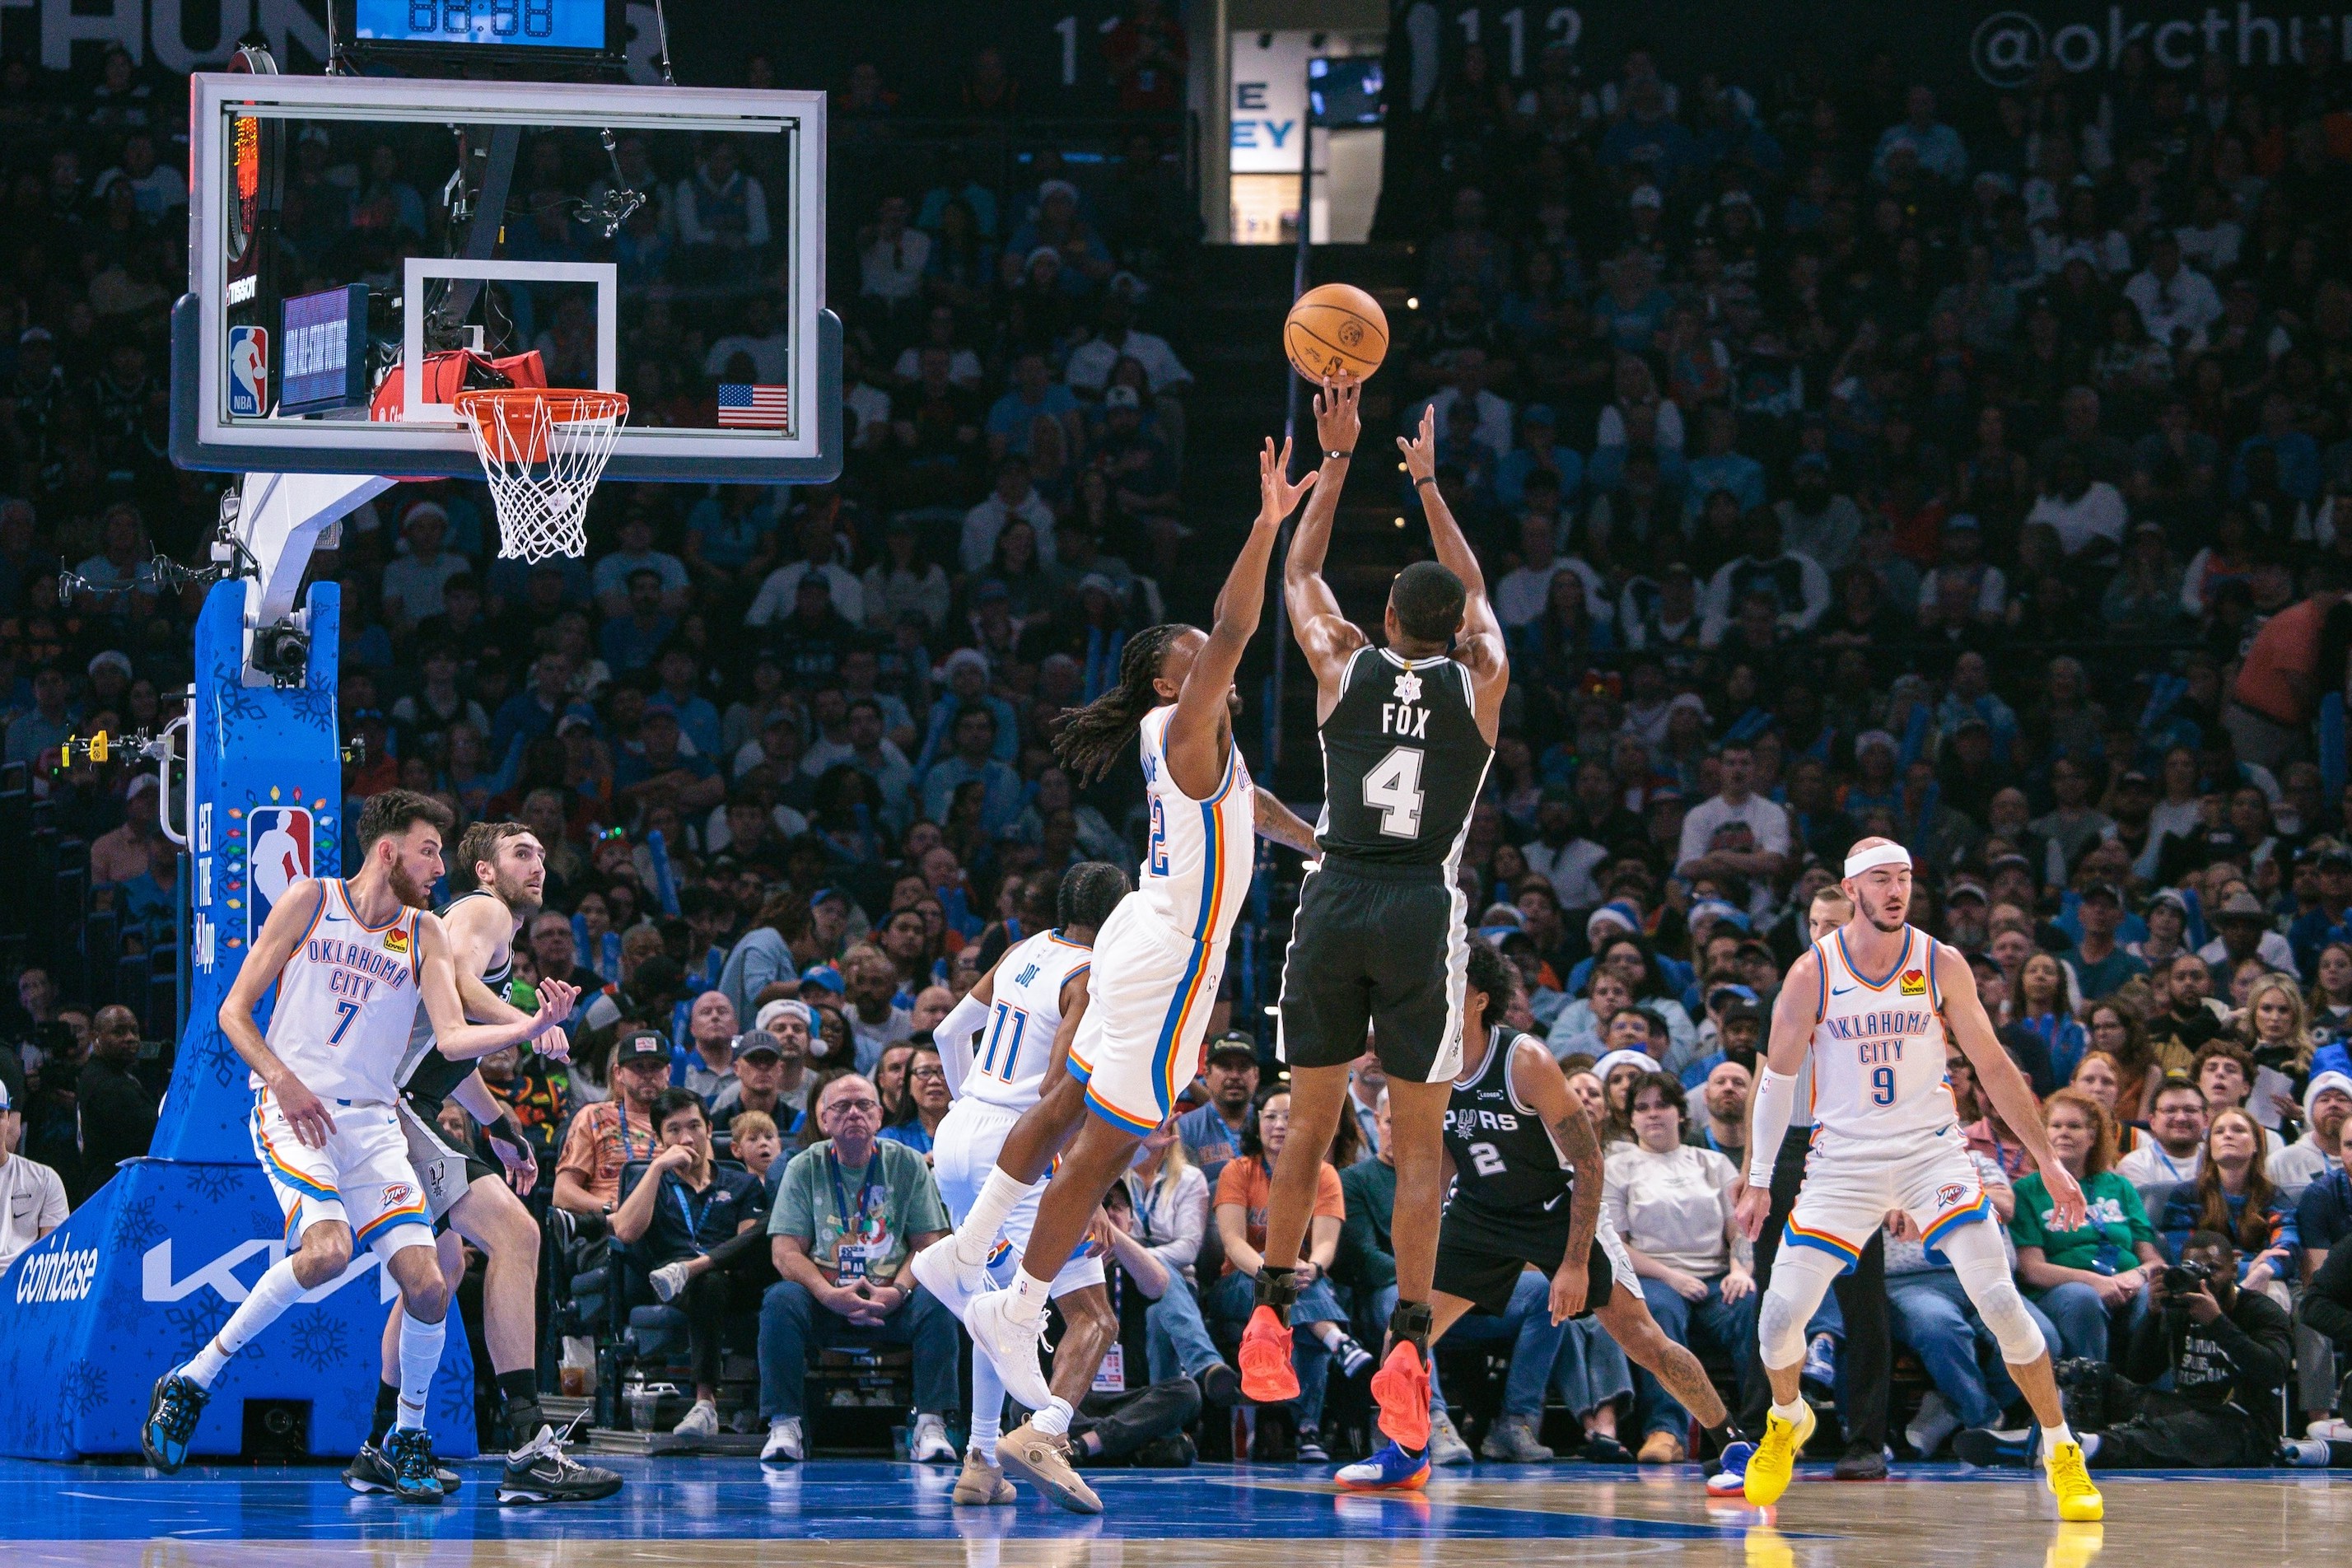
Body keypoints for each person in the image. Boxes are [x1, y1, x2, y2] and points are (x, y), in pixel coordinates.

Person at [922, 435, 1322, 1514]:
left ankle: (995, 1297)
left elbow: (1262, 811)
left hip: (1160, 951)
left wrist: (1325, 845)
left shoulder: (1217, 756)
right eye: (1191, 653)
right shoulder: (1185, 723)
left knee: (1080, 1123)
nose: (1216, 661)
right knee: (1101, 1146)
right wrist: (1267, 520)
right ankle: (1007, 1298)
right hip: (1167, 954)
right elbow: (1238, 624)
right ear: (1165, 675)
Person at [142, 791, 576, 1500]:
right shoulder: (310, 902)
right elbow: (232, 1011)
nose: (442, 866)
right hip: (295, 1112)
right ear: (387, 850)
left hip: (374, 1124)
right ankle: (193, 1380)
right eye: (430, 850)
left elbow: (455, 1035)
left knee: (433, 1283)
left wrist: (527, 1029)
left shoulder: (424, 935)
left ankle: (403, 1438)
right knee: (327, 1252)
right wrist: (281, 1080)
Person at [1252, 381, 1510, 1489]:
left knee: (1308, 1123)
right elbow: (1484, 597)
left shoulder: (1342, 663)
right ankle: (1408, 1346)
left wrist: (1340, 459)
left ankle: (1269, 1315)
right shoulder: (1483, 681)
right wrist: (1429, 484)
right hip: (1420, 906)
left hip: (1338, 890)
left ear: (1385, 622)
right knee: (1419, 1141)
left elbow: (1300, 575)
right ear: (1453, 628)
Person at [1737, 837, 2103, 1522]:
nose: (1896, 890)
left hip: (1932, 1153)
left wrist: (2048, 1162)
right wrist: (1758, 1179)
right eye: (1881, 879)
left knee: (1998, 1299)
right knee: (1778, 1321)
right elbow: (1778, 1083)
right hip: (1843, 1159)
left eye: (1904, 878)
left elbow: (1992, 1065)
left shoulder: (1939, 961)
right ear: (1852, 890)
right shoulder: (1811, 973)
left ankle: (2060, 1447)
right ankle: (1787, 1419)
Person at [1339, 940, 1750, 1490]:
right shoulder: (1428, 1063)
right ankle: (1406, 1450)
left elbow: (1588, 1161)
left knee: (1642, 1338)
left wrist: (1575, 1264)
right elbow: (1439, 1167)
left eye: (1450, 985)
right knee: (1406, 1332)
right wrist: (1428, 1239)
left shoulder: (1524, 1059)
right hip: (1481, 1211)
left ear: (1481, 999)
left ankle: (1734, 1444)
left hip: (1559, 1208)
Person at [357, 819, 618, 1505]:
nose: (537, 866)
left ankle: (378, 1446)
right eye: (520, 853)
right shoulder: (485, 912)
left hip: (401, 1096)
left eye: (541, 854)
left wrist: (500, 1122)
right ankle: (529, 1446)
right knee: (518, 1234)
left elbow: (451, 1046)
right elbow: (466, 999)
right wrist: (533, 1020)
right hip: (398, 1103)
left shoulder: (466, 920)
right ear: (483, 870)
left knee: (439, 1272)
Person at [908, 862, 1132, 1507]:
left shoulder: (1021, 950)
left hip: (961, 1132)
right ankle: (1047, 1431)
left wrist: (964, 1105)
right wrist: (1075, 1185)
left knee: (1002, 1313)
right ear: (1119, 918)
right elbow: (1055, 1093)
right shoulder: (1089, 977)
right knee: (1093, 1316)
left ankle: (980, 1460)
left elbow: (950, 1032)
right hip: (1020, 1146)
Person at [1733, 883, 1895, 1482]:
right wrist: (1754, 1175)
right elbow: (1761, 1088)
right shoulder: (1786, 990)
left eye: (1836, 925)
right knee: (1775, 1297)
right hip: (1789, 1146)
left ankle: (1867, 1439)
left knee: (1864, 1301)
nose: (1825, 935)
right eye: (1817, 924)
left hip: (1855, 1149)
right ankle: (1760, 1429)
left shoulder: (1880, 998)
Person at [758, 1072, 959, 1466]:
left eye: (864, 1105)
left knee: (938, 1300)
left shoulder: (908, 1164)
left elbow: (929, 1245)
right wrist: (827, 1293)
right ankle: (785, 1424)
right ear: (824, 1120)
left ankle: (932, 1425)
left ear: (879, 1117)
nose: (854, 1113)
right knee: (780, 1300)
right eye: (841, 1107)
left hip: (891, 1299)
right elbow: (784, 1252)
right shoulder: (803, 1167)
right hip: (825, 1298)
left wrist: (898, 1291)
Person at [1985, 1231, 2294, 1469]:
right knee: (2088, 1377)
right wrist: (2154, 1316)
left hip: (2242, 1427)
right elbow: (2140, 1372)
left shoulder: (2260, 1310)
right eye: (2195, 1269)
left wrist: (2216, 1323)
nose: (2205, 1278)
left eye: (2214, 1269)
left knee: (2181, 1431)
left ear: (2234, 1266)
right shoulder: (2180, 1305)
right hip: (2185, 1407)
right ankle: (2042, 1430)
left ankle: (2083, 1447)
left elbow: (2272, 1373)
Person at [1210, 1086, 1372, 1462]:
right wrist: (1275, 1272)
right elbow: (1233, 1244)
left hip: (1303, 1283)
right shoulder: (1237, 1171)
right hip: (1239, 1284)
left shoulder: (1325, 1174)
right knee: (1284, 1270)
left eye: (1289, 1116)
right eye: (1271, 1116)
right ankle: (1338, 1344)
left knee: (1303, 1308)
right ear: (1258, 1123)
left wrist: (1312, 1267)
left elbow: (1327, 1245)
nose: (1280, 1125)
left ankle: (1308, 1431)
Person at [1606, 1072, 1756, 1463]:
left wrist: (1741, 1270)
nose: (1653, 1114)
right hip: (1654, 1276)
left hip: (1716, 1275)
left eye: (1662, 1105)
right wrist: (1671, 1276)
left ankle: (1758, 1428)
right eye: (1642, 1108)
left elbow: (1738, 1230)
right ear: (1631, 1119)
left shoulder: (1712, 1162)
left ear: (1680, 1114)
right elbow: (1617, 1244)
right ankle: (1665, 1430)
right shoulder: (1617, 1167)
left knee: (1754, 1307)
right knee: (1656, 1314)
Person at [613, 1089, 769, 1437]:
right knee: (705, 1285)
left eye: (694, 1126)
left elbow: (746, 1244)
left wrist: (705, 1264)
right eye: (673, 1130)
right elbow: (624, 1231)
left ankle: (708, 1404)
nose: (686, 1138)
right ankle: (705, 1404)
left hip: (733, 1277)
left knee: (760, 1235)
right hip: (671, 1284)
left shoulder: (741, 1182)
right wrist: (656, 1167)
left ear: (710, 1129)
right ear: (659, 1138)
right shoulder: (650, 1181)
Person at [2008, 1088, 2164, 1367]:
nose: (2064, 1132)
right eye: (2055, 1126)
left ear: (2092, 1138)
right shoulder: (2025, 1191)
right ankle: (2089, 1393)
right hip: (2062, 1292)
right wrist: (2095, 1281)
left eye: (2074, 1126)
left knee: (2154, 1298)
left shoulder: (2120, 1186)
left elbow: (2153, 1261)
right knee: (2083, 1297)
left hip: (2126, 1283)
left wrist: (2135, 1277)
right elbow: (2032, 1270)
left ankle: (2154, 1399)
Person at [0, 1076, 68, 1276]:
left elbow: (52, 1257)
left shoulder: (45, 1179)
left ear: (9, 1120)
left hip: (24, 1292)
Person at [2117, 1077, 2210, 1200]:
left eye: (2190, 1110)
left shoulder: (2218, 1160)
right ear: (2152, 1121)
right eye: (2170, 1110)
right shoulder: (2135, 1165)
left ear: (2206, 1120)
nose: (2181, 1118)